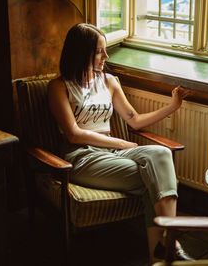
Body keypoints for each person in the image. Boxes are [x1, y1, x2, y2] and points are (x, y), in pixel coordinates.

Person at [48, 23, 193, 264]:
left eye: (105, 50)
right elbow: (73, 134)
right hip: (83, 157)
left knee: (161, 155)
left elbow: (134, 120)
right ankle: (167, 248)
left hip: (114, 154)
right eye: (99, 51)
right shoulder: (59, 87)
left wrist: (173, 106)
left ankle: (164, 246)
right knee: (156, 180)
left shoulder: (109, 82)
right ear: (80, 52)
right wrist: (121, 143)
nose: (106, 56)